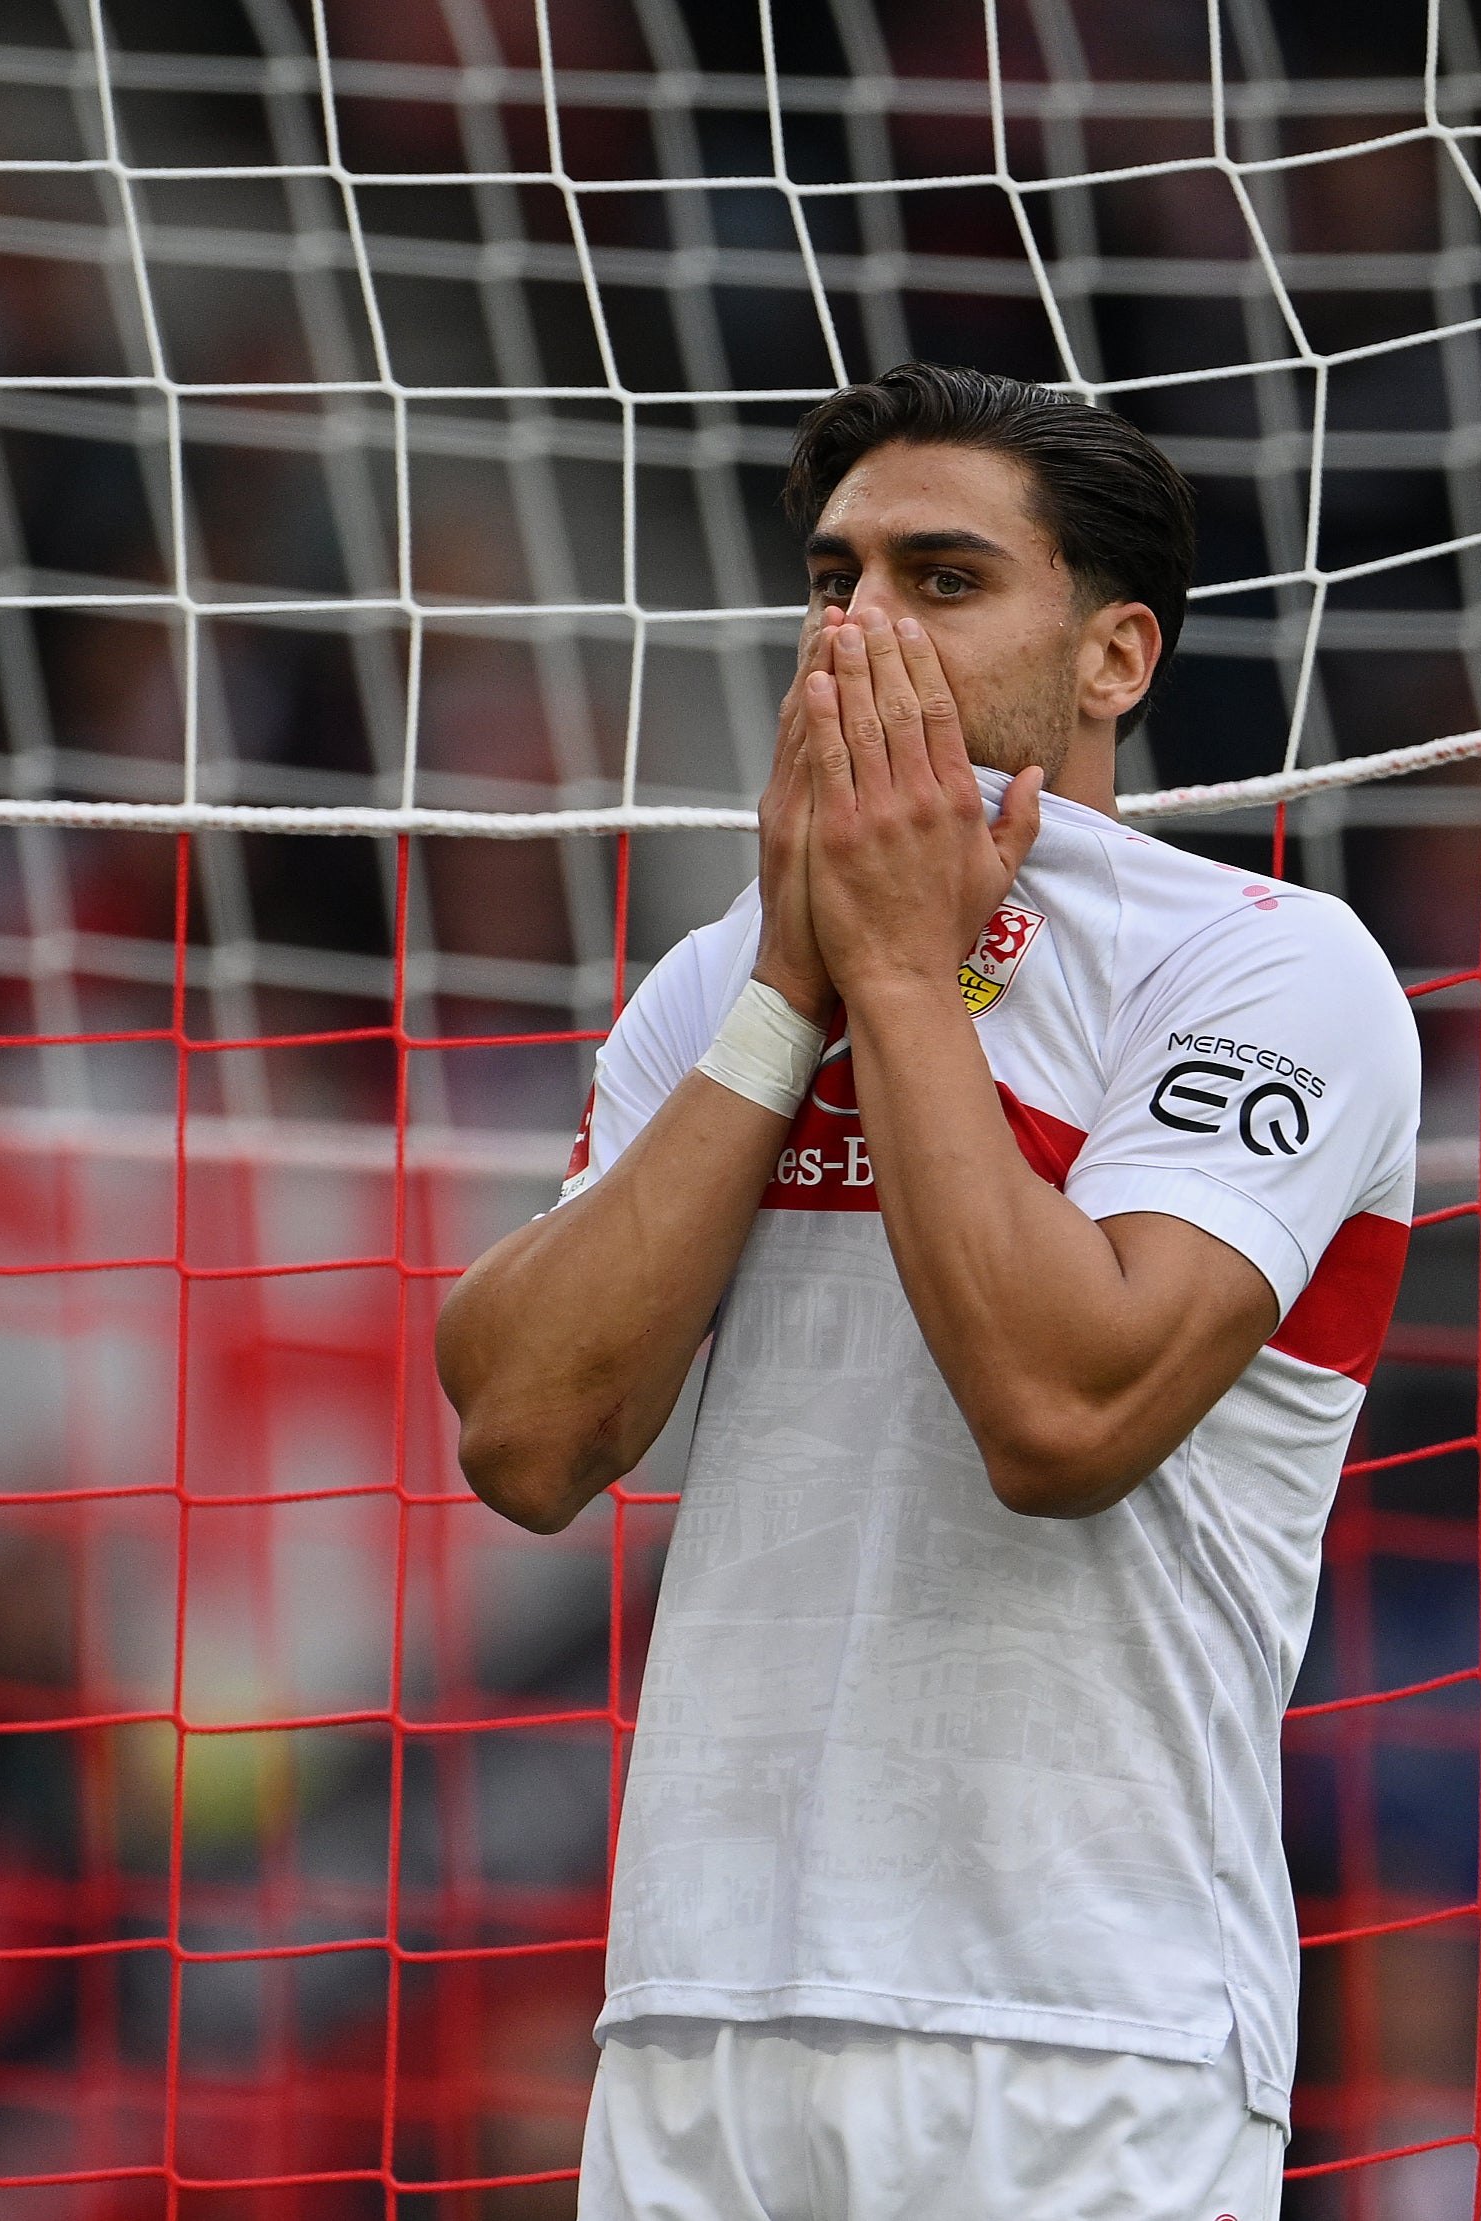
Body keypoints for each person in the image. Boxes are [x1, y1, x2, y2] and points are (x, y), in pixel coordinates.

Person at [435, 363, 1421, 2219]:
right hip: (695, 2025)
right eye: (834, 580)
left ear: (1116, 656)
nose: (859, 632)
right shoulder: (723, 972)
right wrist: (794, 987)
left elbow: (1064, 1418)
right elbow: (529, 1432)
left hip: (1079, 2030)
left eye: (942, 580)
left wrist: (894, 976)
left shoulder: (1274, 971)